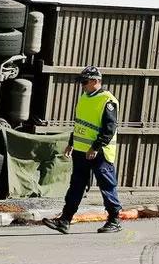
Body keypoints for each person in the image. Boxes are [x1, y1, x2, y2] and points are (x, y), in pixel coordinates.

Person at [43, 66, 123, 234]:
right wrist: (71, 143)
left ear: (96, 81)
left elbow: (109, 129)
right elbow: (80, 123)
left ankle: (114, 219)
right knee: (76, 186)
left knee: (107, 185)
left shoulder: (107, 100)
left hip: (99, 152)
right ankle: (65, 220)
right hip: (80, 151)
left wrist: (95, 147)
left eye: (85, 82)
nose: (83, 85)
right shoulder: (84, 97)